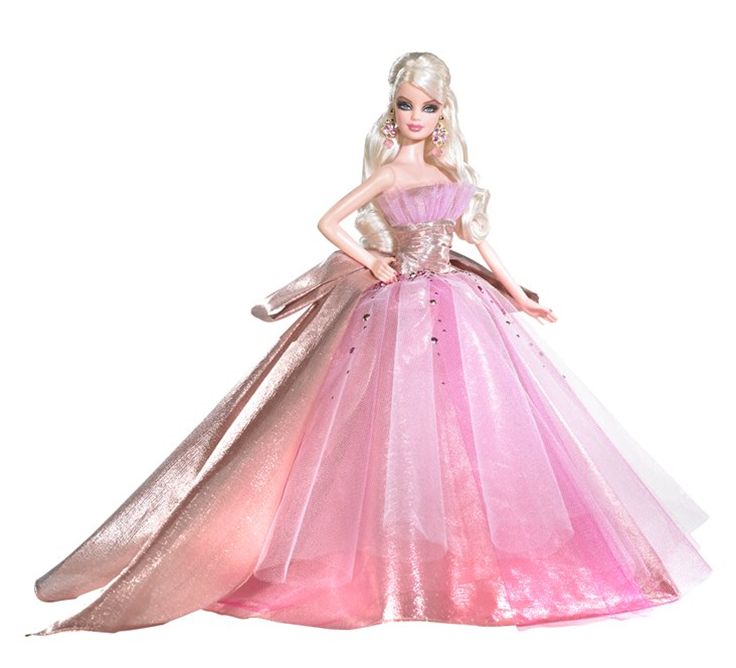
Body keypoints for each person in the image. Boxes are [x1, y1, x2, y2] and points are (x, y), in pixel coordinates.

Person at [28, 51, 711, 636]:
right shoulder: (388, 175)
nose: (417, 116)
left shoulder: (451, 178)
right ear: (393, 112)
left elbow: (480, 240)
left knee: (476, 427)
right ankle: (388, 559)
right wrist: (373, 259)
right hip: (400, 306)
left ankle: (467, 555)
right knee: (387, 431)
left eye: (429, 107)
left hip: (461, 303)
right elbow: (328, 221)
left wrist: (520, 294)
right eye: (407, 105)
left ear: (444, 114)